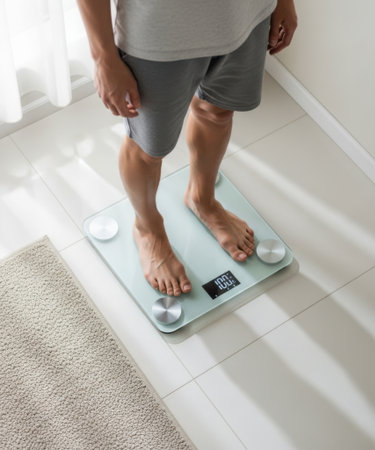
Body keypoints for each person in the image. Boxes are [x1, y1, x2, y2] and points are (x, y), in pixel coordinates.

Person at [77, 0, 297, 297]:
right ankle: (147, 228)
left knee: (218, 112)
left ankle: (201, 198)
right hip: (159, 36)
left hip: (247, 15)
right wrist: (103, 57)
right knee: (147, 148)